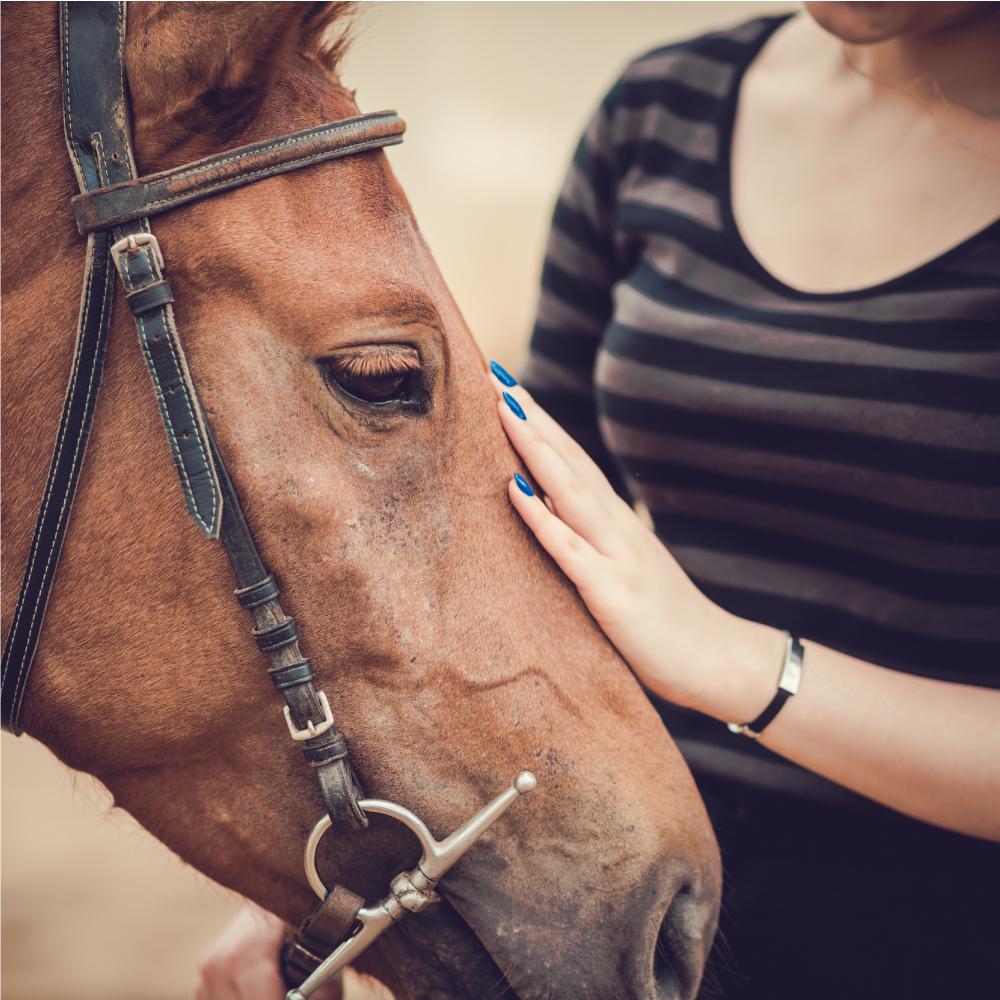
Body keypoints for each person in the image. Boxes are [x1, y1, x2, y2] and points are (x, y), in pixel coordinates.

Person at [198, 4, 1000, 998]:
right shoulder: (663, 109)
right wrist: (337, 857)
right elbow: (511, 513)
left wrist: (740, 667)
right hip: (625, 877)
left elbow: (693, 643)